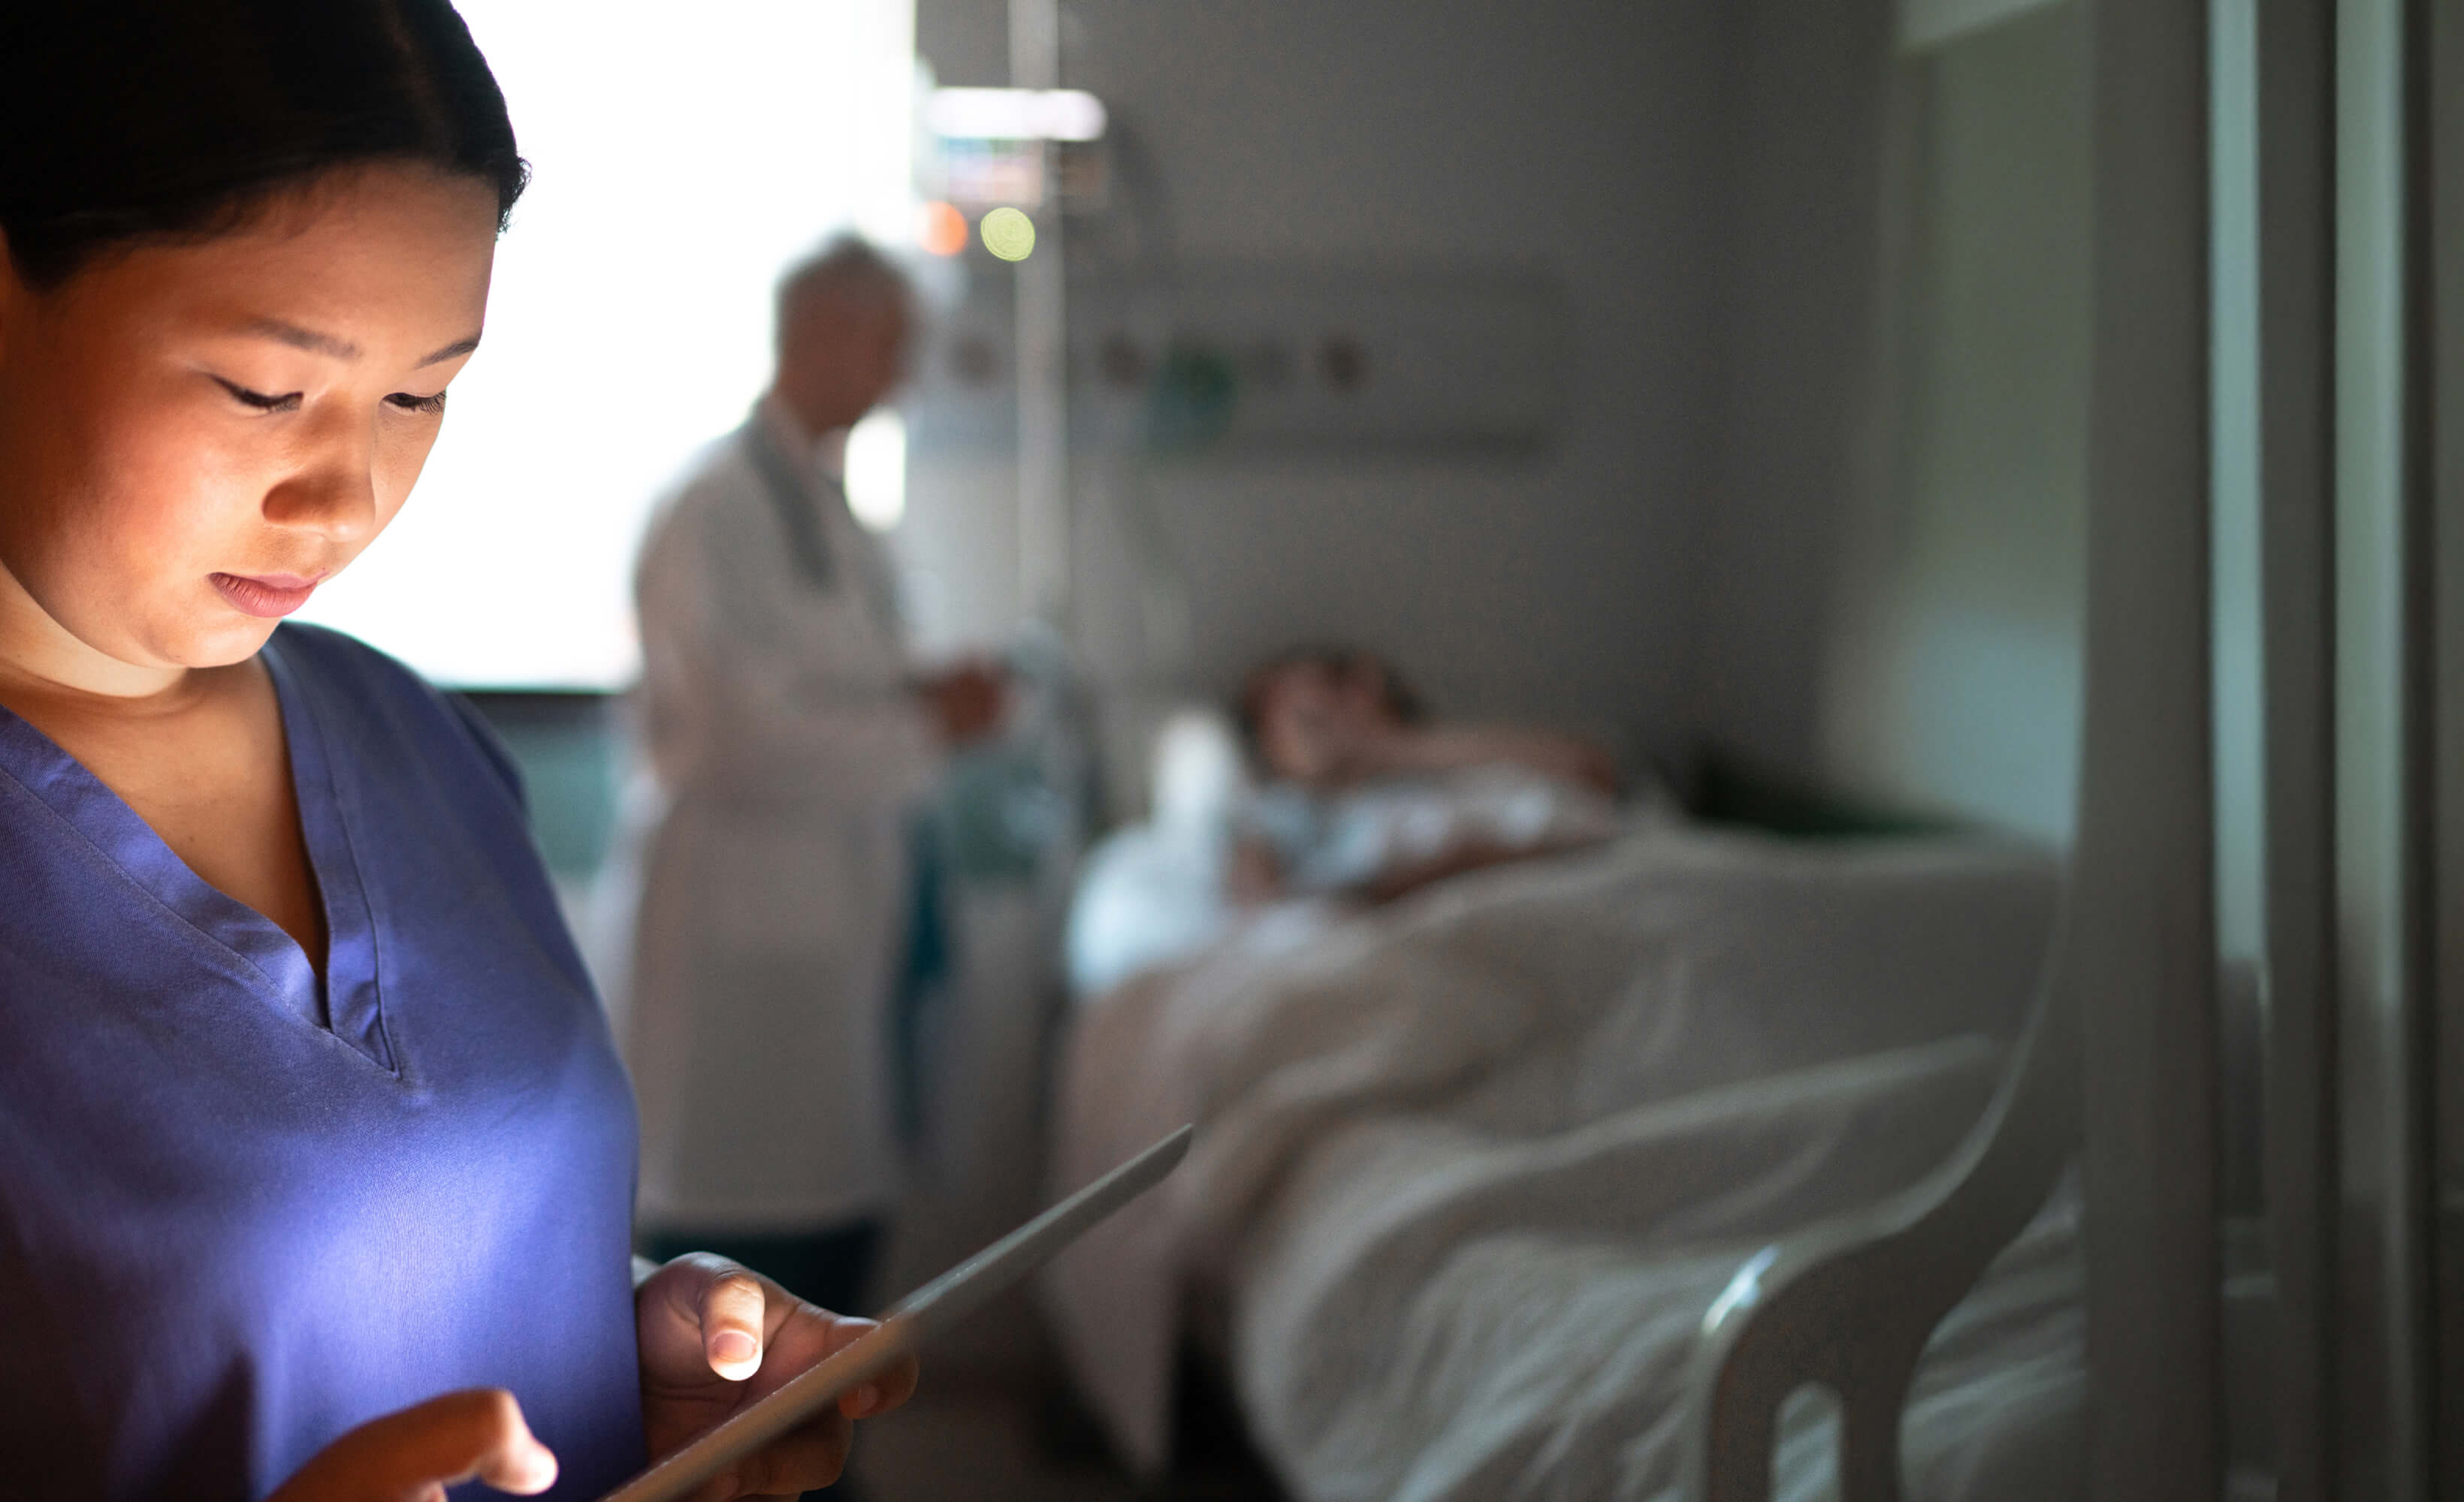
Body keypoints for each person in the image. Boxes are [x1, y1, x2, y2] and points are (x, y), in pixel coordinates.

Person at [0, 5, 913, 1499]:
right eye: (264, 390)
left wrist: (621, 1367)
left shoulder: (416, 747)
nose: (347, 498)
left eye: (419, 394)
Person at [626, 238, 1003, 1322]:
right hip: (744, 927)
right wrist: (927, 726)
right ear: (824, 334)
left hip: (829, 925)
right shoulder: (717, 506)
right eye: (893, 346)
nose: (903, 376)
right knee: (735, 1276)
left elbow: (826, 680)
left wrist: (922, 696)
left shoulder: (824, 504)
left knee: (835, 1243)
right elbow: (737, 738)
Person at [1230, 644, 1625, 903]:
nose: (1310, 716)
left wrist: (1387, 747)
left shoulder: (1457, 773)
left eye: (1329, 693)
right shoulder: (1274, 814)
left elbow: (1589, 772)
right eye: (1291, 717)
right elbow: (1263, 917)